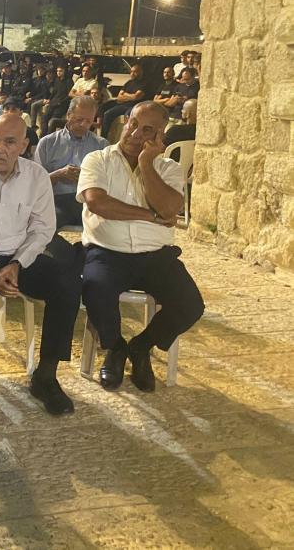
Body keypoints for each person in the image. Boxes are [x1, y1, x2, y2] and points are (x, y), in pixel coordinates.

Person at [0, 113, 81, 420]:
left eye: (9, 142)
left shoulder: (36, 176)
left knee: (68, 281)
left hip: (20, 256)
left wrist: (18, 264)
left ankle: (46, 376)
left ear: (23, 146)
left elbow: (42, 230)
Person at [78, 101, 204, 393]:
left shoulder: (168, 168)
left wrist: (147, 163)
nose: (135, 134)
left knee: (190, 304)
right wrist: (152, 216)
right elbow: (98, 203)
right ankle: (115, 347)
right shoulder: (98, 159)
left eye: (147, 130)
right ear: (126, 121)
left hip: (156, 256)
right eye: (133, 124)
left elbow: (169, 208)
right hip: (107, 251)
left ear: (160, 135)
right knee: (95, 290)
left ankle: (140, 346)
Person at [33, 95, 107, 267]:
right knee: (38, 229)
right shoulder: (48, 143)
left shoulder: (102, 146)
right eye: (79, 119)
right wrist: (59, 174)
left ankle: (87, 260)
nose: (83, 125)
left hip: (89, 202)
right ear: (68, 115)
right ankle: (74, 256)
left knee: (111, 229)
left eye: (88, 121)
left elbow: (109, 182)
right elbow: (35, 184)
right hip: (57, 201)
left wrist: (89, 177)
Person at [100, 65, 148, 140]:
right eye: (131, 72)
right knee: (107, 113)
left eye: (135, 72)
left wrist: (125, 94)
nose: (132, 74)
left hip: (134, 106)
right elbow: (119, 96)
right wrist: (130, 97)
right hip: (123, 105)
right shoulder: (129, 82)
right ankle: (103, 138)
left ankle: (126, 138)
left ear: (140, 72)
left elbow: (136, 97)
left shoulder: (144, 83)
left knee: (127, 116)